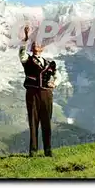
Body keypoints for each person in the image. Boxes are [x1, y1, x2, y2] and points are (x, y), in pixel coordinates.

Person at [19, 25, 57, 157]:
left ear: (42, 48)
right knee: (33, 121)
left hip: (47, 94)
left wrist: (54, 83)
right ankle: (33, 151)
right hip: (33, 93)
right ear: (31, 47)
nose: (36, 45)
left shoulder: (49, 63)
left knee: (47, 122)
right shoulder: (27, 60)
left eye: (38, 44)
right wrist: (26, 38)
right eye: (34, 44)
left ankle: (48, 150)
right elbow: (21, 52)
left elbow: (56, 76)